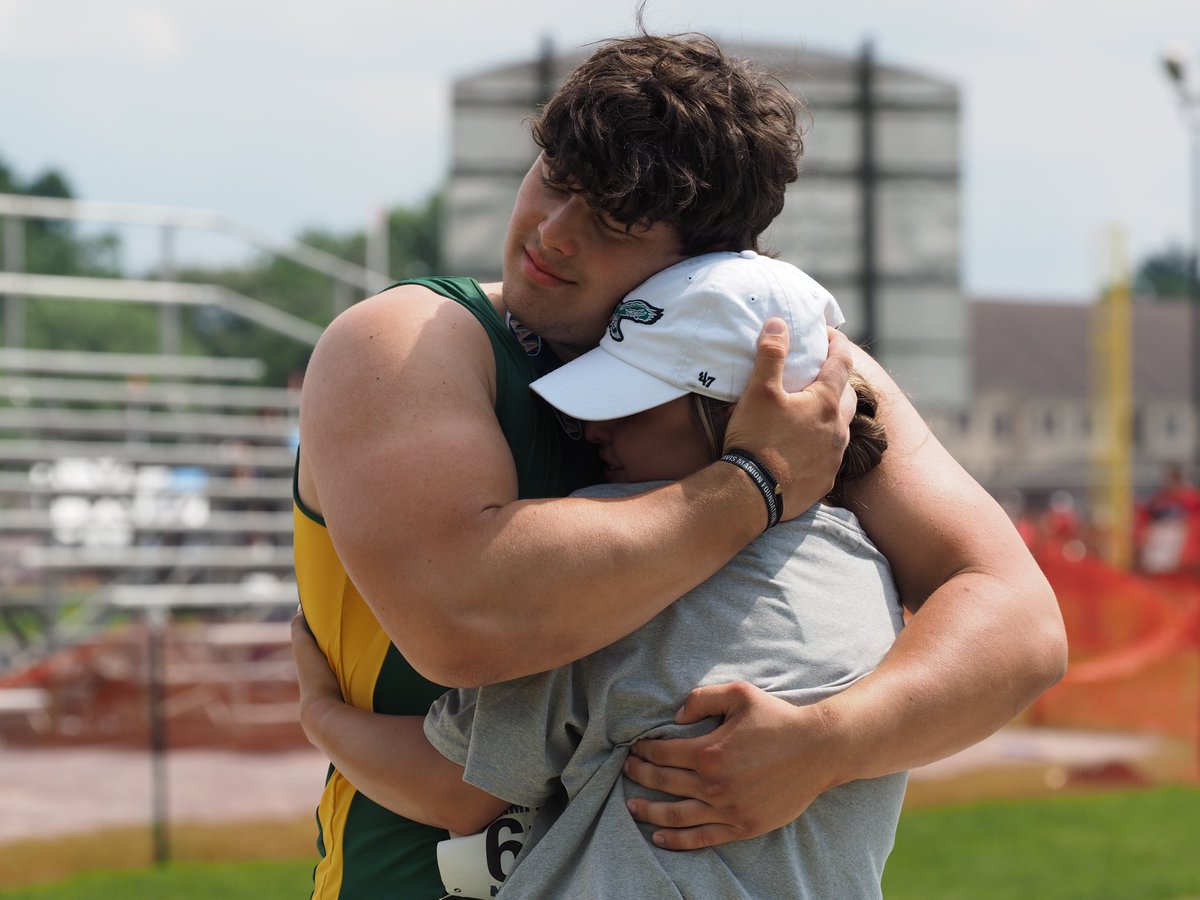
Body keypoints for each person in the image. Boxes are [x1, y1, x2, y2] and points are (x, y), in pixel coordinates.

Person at [294, 27, 1065, 900]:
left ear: (708, 261)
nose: (553, 234)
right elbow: (461, 617)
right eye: (555, 178)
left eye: (615, 221)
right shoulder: (408, 340)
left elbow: (1021, 624)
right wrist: (754, 486)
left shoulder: (776, 369)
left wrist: (828, 743)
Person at [296, 251, 906, 899]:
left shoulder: (629, 586)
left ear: (726, 416)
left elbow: (458, 790)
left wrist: (318, 714)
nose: (591, 427)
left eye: (633, 403)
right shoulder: (869, 564)